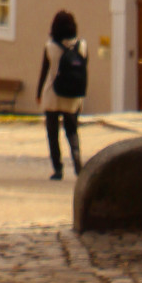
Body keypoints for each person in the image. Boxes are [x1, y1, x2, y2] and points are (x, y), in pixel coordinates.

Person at [38, 9, 88, 179]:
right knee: (72, 130)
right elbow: (84, 69)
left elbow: (44, 71)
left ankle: (58, 168)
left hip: (53, 92)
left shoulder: (50, 47)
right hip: (73, 94)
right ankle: (77, 160)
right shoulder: (82, 46)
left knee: (53, 133)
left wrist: (38, 93)